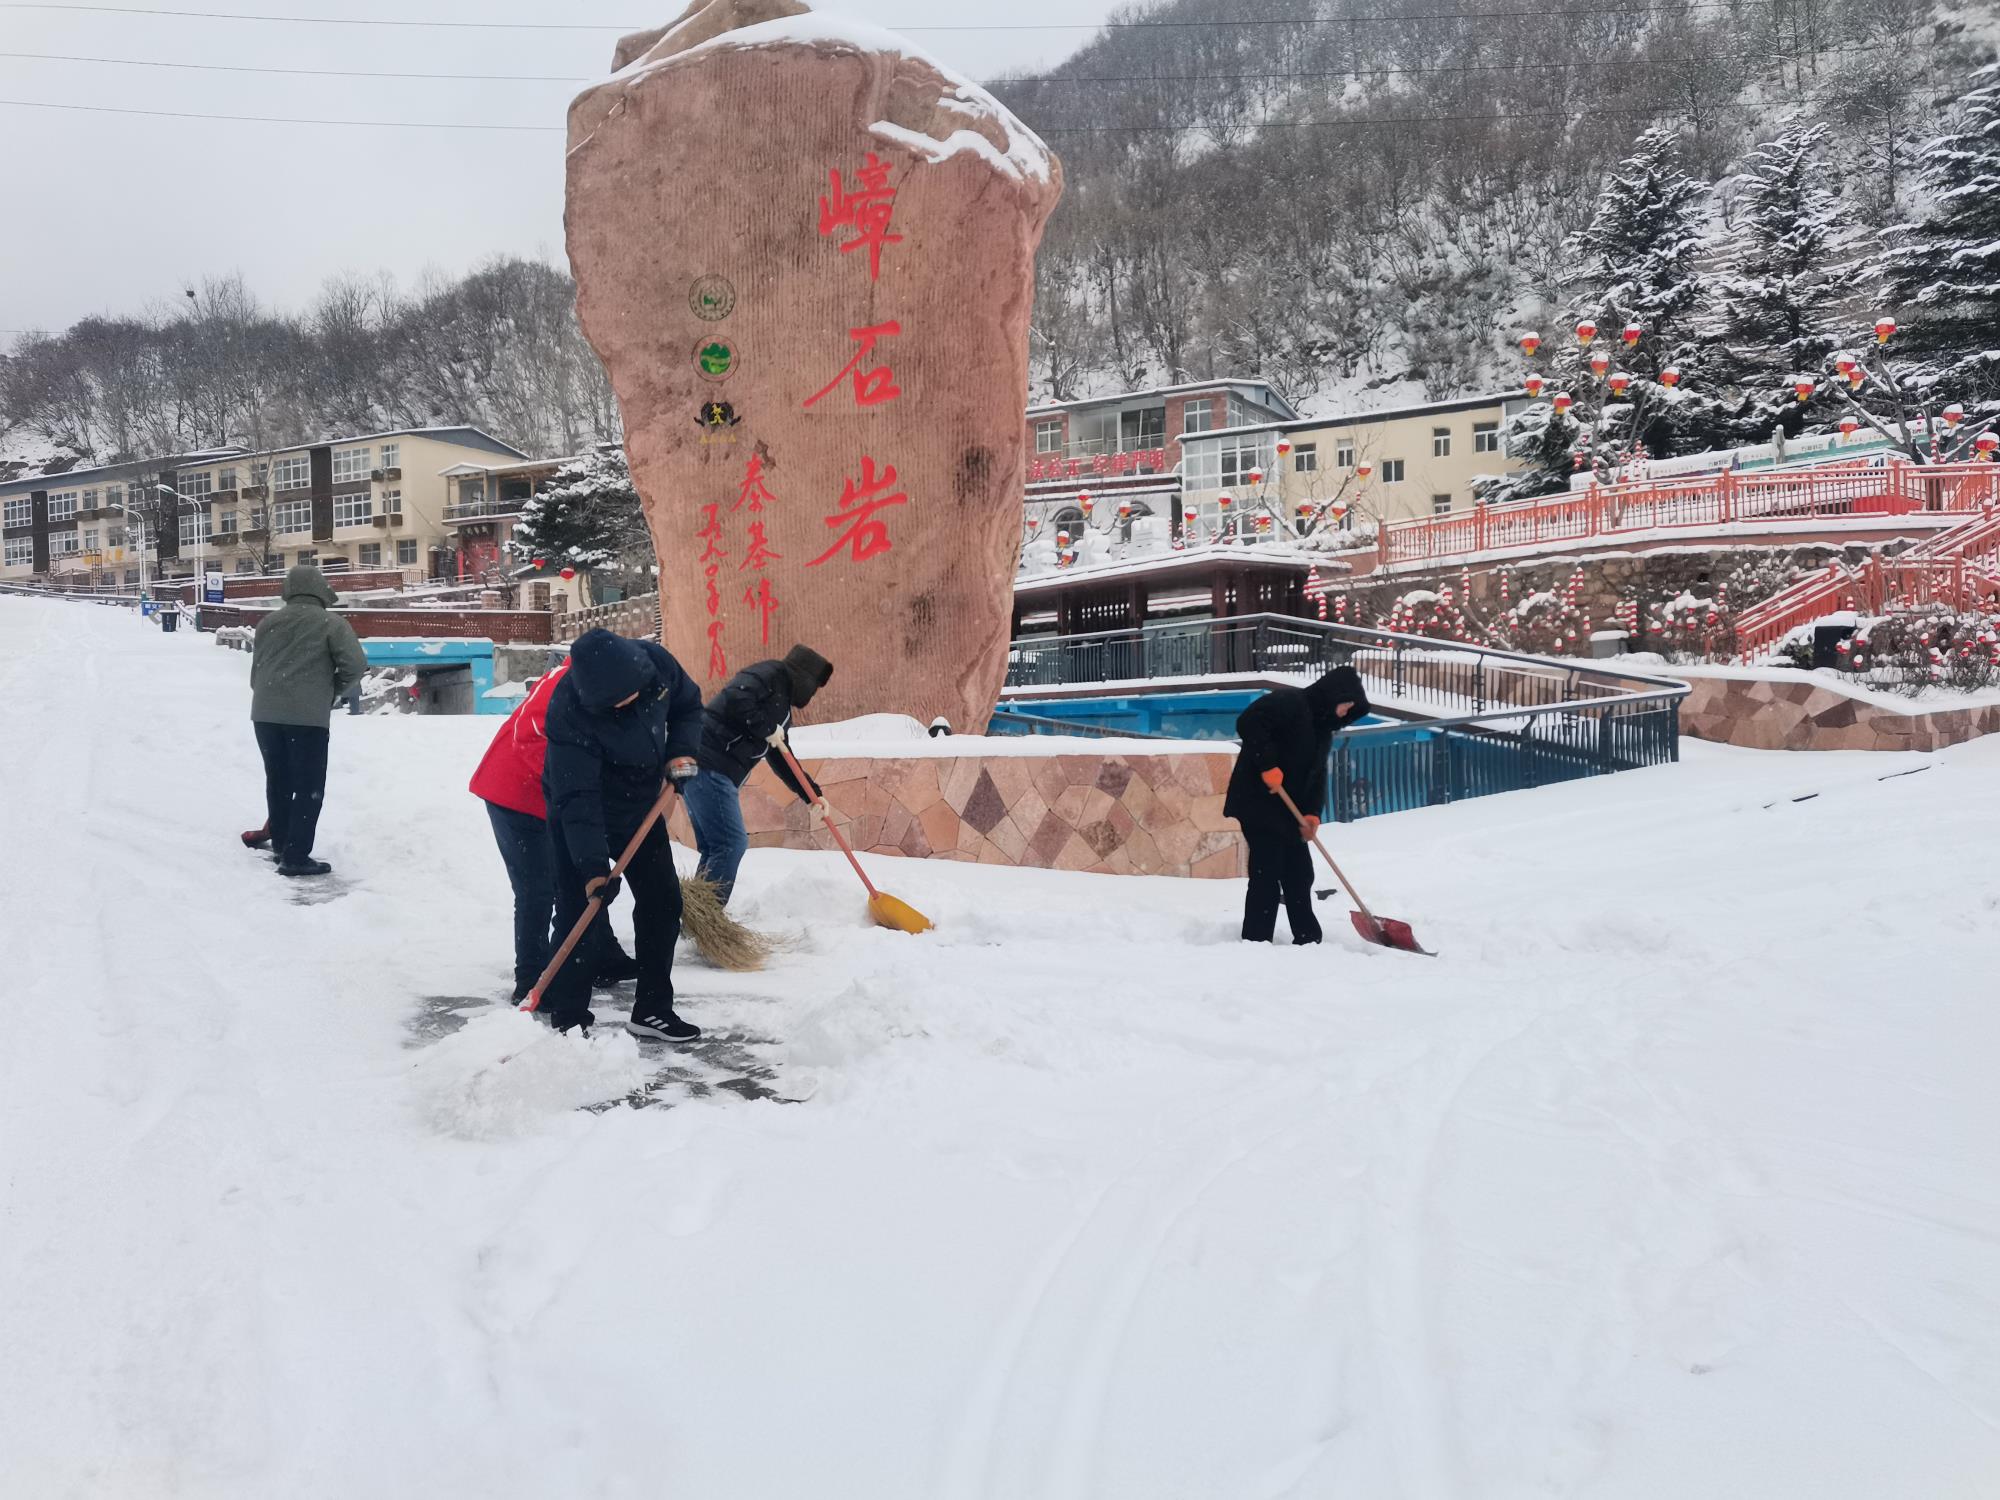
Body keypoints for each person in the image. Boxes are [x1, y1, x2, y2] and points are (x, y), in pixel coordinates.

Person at [541, 628, 702, 1039]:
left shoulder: (656, 665)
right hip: (583, 809)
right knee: (583, 910)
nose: (628, 703)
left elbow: (688, 706)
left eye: (631, 693)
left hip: (640, 807)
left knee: (663, 903)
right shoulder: (568, 709)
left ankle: (652, 1009)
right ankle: (569, 1019)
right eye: (615, 703)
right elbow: (578, 796)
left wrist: (681, 751)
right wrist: (594, 868)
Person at [468, 661, 639, 1002]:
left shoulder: (594, 689)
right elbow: (535, 746)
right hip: (514, 792)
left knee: (581, 876)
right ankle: (531, 979)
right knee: (537, 889)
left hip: (550, 795)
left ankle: (603, 956)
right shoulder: (564, 690)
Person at [1223, 665, 1371, 945]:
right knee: (1267, 870)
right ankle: (1256, 939)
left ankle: (1307, 938)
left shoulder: (1323, 731)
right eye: (1344, 705)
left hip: (1287, 810)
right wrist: (1267, 764)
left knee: (1300, 873)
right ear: (1332, 695)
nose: (1344, 713)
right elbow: (1249, 721)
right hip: (1257, 802)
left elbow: (1316, 776)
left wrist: (1313, 813)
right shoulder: (1290, 703)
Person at [682, 645, 835, 904]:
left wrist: (812, 795)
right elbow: (736, 697)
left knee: (716, 847)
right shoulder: (770, 673)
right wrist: (765, 727)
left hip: (707, 767)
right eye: (815, 687)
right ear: (804, 677)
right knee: (730, 844)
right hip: (709, 764)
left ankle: (698, 919)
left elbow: (781, 757)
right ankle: (707, 921)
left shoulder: (782, 706)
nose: (813, 694)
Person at [248, 564, 367, 877]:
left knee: (278, 782)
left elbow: (256, 673)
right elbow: (355, 666)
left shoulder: (267, 623)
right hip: (307, 719)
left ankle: (282, 845)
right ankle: (296, 855)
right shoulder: (331, 623)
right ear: (320, 589)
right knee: (308, 786)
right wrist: (330, 693)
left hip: (264, 714)